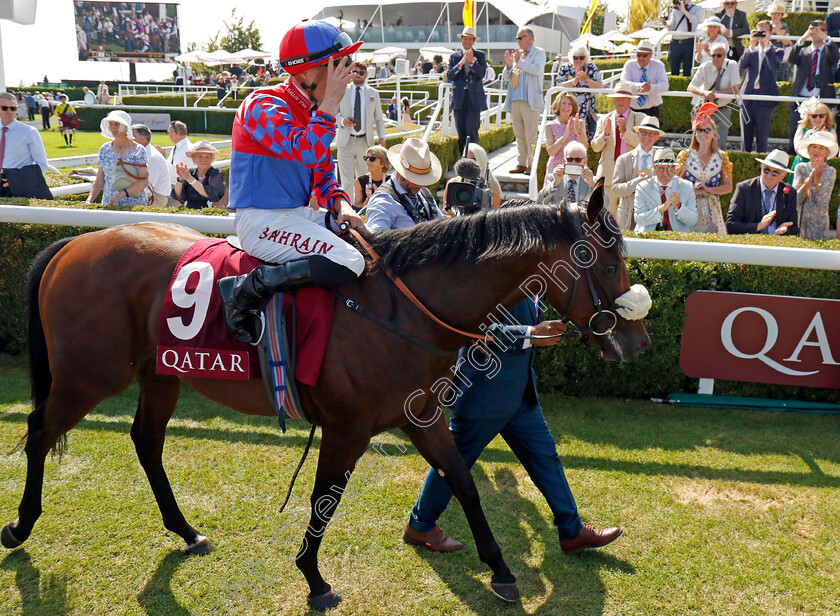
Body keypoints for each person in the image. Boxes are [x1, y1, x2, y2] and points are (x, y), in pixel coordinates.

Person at [402, 198, 623, 555]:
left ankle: (571, 530)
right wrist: (531, 334)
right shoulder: (486, 273)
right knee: (453, 463)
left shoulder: (526, 270)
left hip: (519, 392)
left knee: (545, 457)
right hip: (483, 392)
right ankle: (420, 525)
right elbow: (475, 330)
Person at [218, 19, 365, 343]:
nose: (347, 73)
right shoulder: (262, 104)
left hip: (295, 216)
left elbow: (324, 176)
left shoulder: (313, 113)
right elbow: (307, 151)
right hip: (261, 221)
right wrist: (329, 107)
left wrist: (341, 204)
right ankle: (243, 291)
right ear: (307, 73)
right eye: (338, 65)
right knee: (349, 260)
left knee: (367, 241)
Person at [674, 104, 732, 234]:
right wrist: (692, 190)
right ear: (694, 133)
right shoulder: (685, 156)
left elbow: (728, 187)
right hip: (689, 207)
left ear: (714, 133)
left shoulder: (722, 157)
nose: (703, 134)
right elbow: (674, 184)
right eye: (699, 130)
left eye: (707, 130)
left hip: (713, 212)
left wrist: (708, 189)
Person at [365, 138, 443, 231]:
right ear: (400, 171)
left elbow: (442, 225)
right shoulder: (383, 201)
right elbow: (376, 239)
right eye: (415, 179)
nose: (420, 185)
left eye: (422, 180)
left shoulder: (424, 194)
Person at [591, 82, 644, 218]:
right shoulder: (604, 119)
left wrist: (625, 132)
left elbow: (643, 143)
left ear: (630, 100)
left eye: (624, 98)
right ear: (613, 99)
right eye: (618, 98)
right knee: (606, 219)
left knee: (626, 220)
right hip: (608, 176)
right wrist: (605, 134)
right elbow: (595, 147)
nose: (621, 101)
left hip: (631, 176)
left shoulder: (640, 119)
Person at [787, 20, 839, 155]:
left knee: (822, 135)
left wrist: (826, 38)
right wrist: (804, 37)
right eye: (814, 29)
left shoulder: (828, 52)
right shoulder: (804, 51)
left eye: (821, 29)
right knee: (795, 133)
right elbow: (792, 58)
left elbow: (835, 56)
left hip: (822, 99)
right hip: (801, 99)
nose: (817, 32)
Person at [336, 60, 387, 195]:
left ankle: (362, 210)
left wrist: (382, 137)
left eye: (361, 73)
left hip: (365, 142)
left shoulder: (373, 93)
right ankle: (347, 211)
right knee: (346, 182)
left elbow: (379, 119)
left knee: (363, 180)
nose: (358, 75)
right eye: (355, 72)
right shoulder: (341, 90)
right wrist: (342, 121)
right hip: (345, 141)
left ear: (366, 75)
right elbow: (333, 114)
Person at [502, 27, 546, 174]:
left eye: (520, 38)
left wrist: (518, 61)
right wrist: (509, 65)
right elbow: (506, 77)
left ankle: (532, 165)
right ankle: (521, 163)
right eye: (517, 38)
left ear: (530, 38)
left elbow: (536, 70)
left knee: (531, 135)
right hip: (516, 100)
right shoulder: (518, 56)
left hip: (530, 101)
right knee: (519, 134)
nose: (518, 41)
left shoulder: (539, 52)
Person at [84, 110, 149, 207]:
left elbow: (144, 182)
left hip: (134, 205)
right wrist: (89, 201)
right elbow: (99, 181)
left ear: (124, 126)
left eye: (117, 124)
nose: (113, 127)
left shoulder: (139, 150)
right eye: (110, 124)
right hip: (108, 204)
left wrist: (121, 194)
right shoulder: (105, 149)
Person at [725, 149, 798, 235]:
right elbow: (731, 225)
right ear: (761, 167)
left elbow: (794, 228)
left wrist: (785, 229)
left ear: (783, 175)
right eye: (766, 170)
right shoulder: (744, 189)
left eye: (775, 173)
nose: (769, 175)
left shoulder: (790, 192)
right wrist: (758, 226)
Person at [612, 115, 664, 230]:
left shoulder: (663, 160)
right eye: (644, 132)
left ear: (657, 137)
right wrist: (637, 182)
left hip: (653, 215)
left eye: (651, 133)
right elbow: (615, 190)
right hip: (627, 217)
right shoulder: (624, 159)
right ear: (638, 134)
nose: (647, 137)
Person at [687, 42, 741, 150]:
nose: (715, 58)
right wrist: (705, 93)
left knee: (719, 147)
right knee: (698, 146)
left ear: (725, 55)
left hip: (722, 111)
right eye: (713, 55)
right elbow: (691, 87)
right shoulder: (704, 66)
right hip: (704, 110)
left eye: (719, 55)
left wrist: (716, 94)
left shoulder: (732, 65)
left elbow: (736, 88)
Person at [739, 22, 783, 153]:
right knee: (745, 139)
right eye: (759, 31)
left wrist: (767, 47)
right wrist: (751, 45)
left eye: (764, 31)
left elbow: (774, 67)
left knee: (762, 139)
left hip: (765, 98)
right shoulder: (751, 51)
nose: (761, 34)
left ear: (770, 33)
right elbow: (741, 65)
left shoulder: (777, 51)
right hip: (747, 97)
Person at [634, 148, 698, 232]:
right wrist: (662, 208)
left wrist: (679, 207)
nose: (665, 173)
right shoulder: (642, 187)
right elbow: (639, 219)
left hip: (677, 238)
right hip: (649, 237)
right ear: (655, 169)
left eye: (669, 168)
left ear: (674, 169)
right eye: (661, 168)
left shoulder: (686, 186)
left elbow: (693, 221)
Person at [447, 26, 488, 155]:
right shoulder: (454, 56)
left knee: (471, 130)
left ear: (474, 41)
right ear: (462, 39)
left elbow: (481, 74)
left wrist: (472, 62)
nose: (468, 42)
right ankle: (463, 162)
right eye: (465, 39)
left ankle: (474, 162)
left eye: (470, 39)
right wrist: (460, 63)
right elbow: (449, 75)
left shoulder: (480, 55)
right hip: (459, 99)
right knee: (461, 132)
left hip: (474, 99)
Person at [0, 91, 48, 196]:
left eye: (13, 108)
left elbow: (42, 165)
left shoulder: (29, 131)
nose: (9, 111)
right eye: (4, 108)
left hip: (17, 186)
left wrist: (17, 181)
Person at [792, 130, 837, 240]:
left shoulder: (830, 171)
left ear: (826, 153)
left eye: (821, 148)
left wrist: (817, 179)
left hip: (818, 225)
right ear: (808, 150)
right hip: (799, 224)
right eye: (814, 147)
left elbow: (822, 201)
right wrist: (807, 184)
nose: (816, 150)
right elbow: (795, 199)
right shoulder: (800, 168)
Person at [554, 44, 603, 140]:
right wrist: (574, 81)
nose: (578, 60)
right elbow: (558, 85)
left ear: (586, 58)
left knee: (584, 138)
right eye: (575, 57)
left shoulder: (591, 67)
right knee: (565, 136)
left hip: (586, 109)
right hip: (567, 108)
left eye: (581, 58)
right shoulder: (565, 68)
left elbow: (599, 86)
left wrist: (586, 80)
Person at [443, 142, 502, 211]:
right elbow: (446, 212)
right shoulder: (453, 184)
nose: (468, 163)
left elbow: (494, 215)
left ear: (481, 161)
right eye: (465, 159)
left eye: (472, 160)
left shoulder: (492, 186)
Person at [544, 91, 588, 181]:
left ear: (573, 107)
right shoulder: (549, 126)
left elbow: (585, 148)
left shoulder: (579, 123)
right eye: (564, 103)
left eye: (569, 104)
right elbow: (551, 152)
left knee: (575, 193)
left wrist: (577, 133)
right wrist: (566, 135)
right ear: (558, 105)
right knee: (555, 193)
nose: (566, 106)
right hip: (556, 168)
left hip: (575, 166)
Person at [789, 98, 837, 179]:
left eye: (821, 116)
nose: (818, 119)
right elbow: (797, 149)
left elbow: (834, 151)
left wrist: (824, 137)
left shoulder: (831, 131)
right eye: (814, 116)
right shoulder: (802, 129)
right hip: (801, 164)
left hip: (820, 167)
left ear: (826, 117)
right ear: (809, 117)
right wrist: (810, 135)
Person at [619, 40, 668, 118]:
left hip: (652, 110)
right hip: (631, 109)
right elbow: (623, 83)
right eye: (638, 55)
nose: (641, 58)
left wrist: (650, 88)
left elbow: (665, 85)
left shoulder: (659, 65)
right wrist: (640, 87)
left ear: (651, 55)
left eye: (644, 55)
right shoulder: (629, 65)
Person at [537, 141, 595, 206]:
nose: (573, 163)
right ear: (565, 161)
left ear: (584, 162)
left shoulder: (593, 180)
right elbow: (539, 200)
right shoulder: (553, 178)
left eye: (578, 160)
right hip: (559, 215)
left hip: (582, 215)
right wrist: (555, 183)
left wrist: (592, 185)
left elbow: (606, 203)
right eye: (570, 159)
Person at [171, 140, 225, 209]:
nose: (203, 160)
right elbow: (178, 196)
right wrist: (180, 180)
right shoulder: (191, 173)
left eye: (207, 157)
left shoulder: (216, 174)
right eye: (200, 156)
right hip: (190, 214)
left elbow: (210, 194)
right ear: (193, 158)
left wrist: (190, 179)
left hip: (210, 215)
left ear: (211, 159)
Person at [132, 123, 172, 208]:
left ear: (142, 138)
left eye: (132, 137)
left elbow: (147, 186)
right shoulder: (145, 153)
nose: (128, 140)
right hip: (150, 195)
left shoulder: (152, 157)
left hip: (155, 198)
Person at [661, 0, 702, 76]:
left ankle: (686, 87)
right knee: (674, 70)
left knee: (687, 71)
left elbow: (695, 21)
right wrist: (664, 23)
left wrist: (683, 9)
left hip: (688, 41)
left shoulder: (697, 8)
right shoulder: (675, 9)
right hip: (675, 42)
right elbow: (672, 28)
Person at [166, 120, 194, 204]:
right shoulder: (179, 147)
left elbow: (178, 172)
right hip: (173, 186)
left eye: (169, 132)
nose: (169, 135)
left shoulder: (186, 149)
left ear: (175, 133)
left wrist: (162, 158)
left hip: (179, 189)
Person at [767, 3, 790, 80]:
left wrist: (777, 31)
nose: (776, 16)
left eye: (778, 14)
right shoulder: (766, 24)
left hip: (779, 53)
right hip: (767, 52)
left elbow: (786, 42)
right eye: (774, 14)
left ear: (781, 16)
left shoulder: (784, 26)